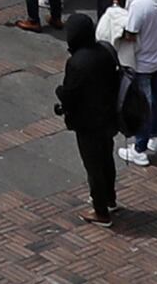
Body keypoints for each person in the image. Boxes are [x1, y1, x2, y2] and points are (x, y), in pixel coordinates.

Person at [51, 23, 117, 232]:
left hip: (87, 123)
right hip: (107, 117)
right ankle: (109, 197)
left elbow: (70, 93)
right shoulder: (105, 52)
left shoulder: (77, 63)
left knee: (93, 166)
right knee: (106, 158)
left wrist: (60, 91)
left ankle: (100, 211)